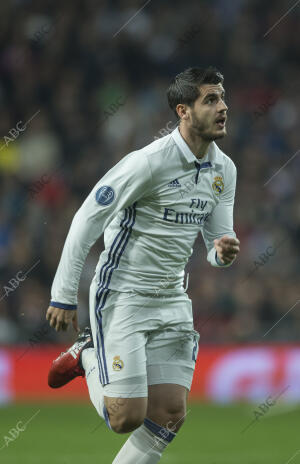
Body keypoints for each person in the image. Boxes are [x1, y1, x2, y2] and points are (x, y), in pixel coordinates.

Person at [46, 66, 240, 464]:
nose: (223, 107)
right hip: (124, 295)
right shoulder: (149, 162)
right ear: (183, 110)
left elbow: (215, 243)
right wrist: (63, 295)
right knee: (125, 418)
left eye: (222, 97)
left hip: (172, 297)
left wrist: (221, 253)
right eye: (211, 99)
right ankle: (86, 353)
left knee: (169, 415)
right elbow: (86, 218)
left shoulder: (224, 170)